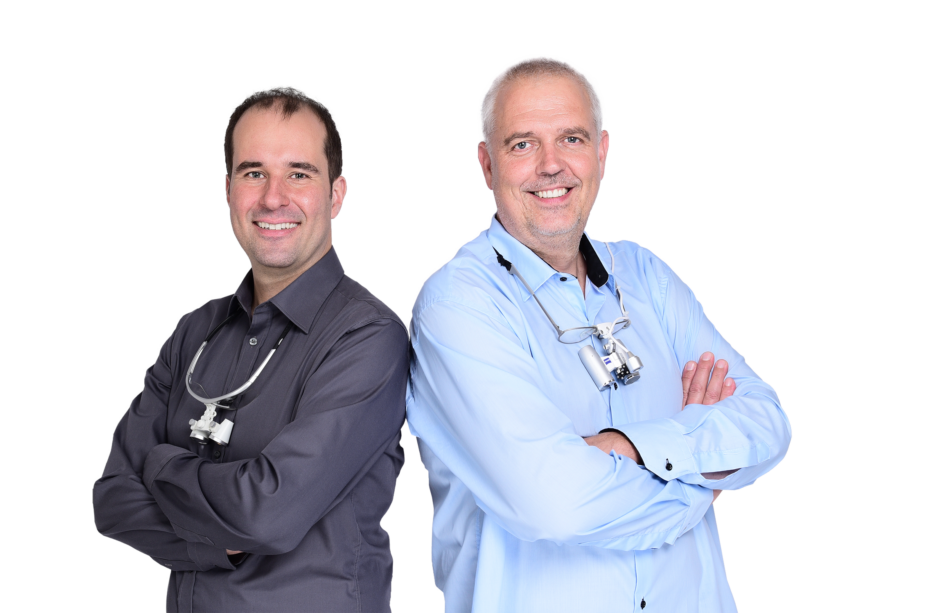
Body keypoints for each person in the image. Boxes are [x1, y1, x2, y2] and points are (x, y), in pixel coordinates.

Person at [406, 55, 792, 612]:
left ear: (602, 152)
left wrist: (629, 447)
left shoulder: (646, 274)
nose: (551, 165)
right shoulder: (457, 304)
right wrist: (702, 480)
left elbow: (767, 420)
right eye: (522, 144)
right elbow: (552, 503)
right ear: (486, 164)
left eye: (572, 138)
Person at [92, 84, 408, 612]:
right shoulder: (196, 329)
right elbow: (112, 499)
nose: (272, 198)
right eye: (253, 172)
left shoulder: (368, 338)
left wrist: (162, 465)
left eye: (299, 174)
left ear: (336, 195)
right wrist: (220, 539)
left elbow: (265, 516)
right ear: (228, 190)